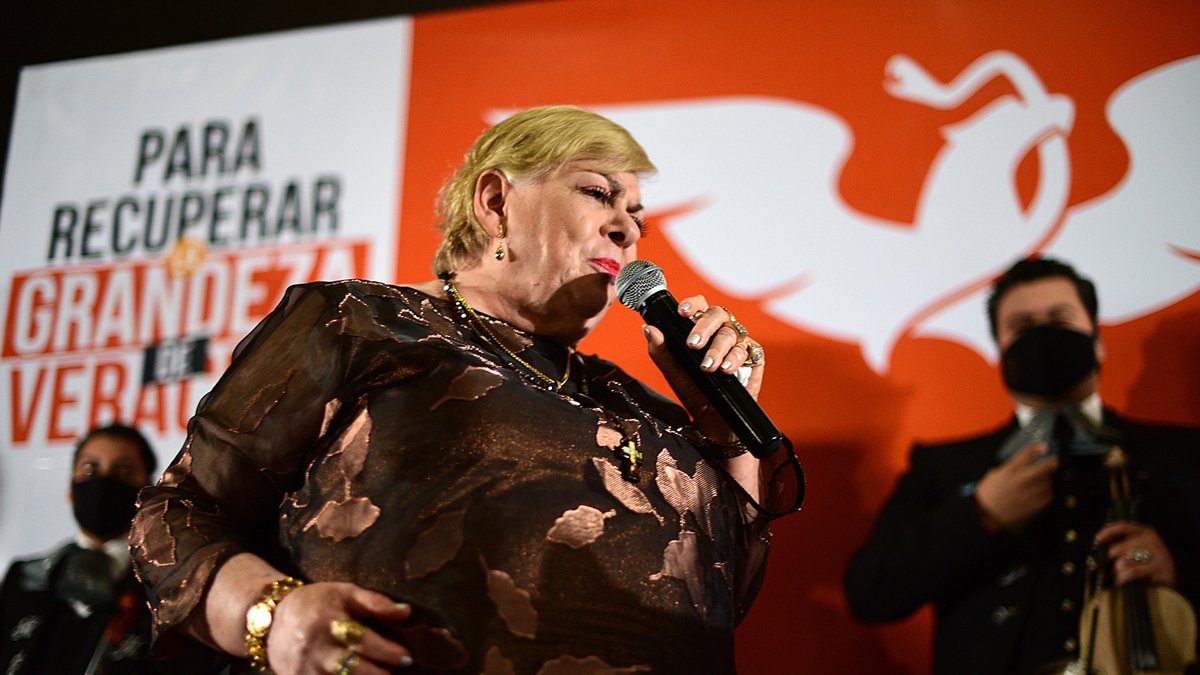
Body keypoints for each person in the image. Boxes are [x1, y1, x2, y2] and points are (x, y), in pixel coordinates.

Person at [130, 105, 803, 675]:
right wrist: (272, 616)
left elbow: (721, 600)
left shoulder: (641, 404)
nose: (628, 229)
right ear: (495, 201)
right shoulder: (360, 322)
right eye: (599, 193)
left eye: (638, 217)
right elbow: (178, 511)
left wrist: (720, 426)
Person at [844, 256, 1200, 674]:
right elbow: (870, 592)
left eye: (1059, 318)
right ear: (1000, 352)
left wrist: (1180, 570)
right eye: (1024, 326)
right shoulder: (944, 466)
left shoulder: (1183, 453)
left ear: (1097, 338)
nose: (1044, 335)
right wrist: (979, 514)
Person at [0, 423, 157, 674]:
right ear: (71, 490)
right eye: (89, 469)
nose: (103, 480)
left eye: (123, 470)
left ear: (148, 491)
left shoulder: (169, 586)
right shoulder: (24, 578)